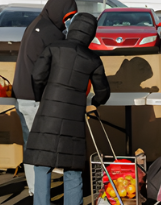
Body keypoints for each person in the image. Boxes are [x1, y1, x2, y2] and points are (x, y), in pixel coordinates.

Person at [26, 13, 110, 205]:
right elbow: (104, 91)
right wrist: (95, 102)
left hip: (48, 115)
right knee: (72, 169)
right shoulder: (93, 59)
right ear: (90, 34)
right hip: (74, 120)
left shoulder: (53, 48)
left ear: (73, 28)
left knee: (42, 165)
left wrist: (41, 97)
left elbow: (37, 76)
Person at [13, 0, 77, 195]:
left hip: (23, 95)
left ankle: (34, 190)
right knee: (42, 151)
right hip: (36, 98)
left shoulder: (35, 24)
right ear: (59, 11)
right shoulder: (50, 33)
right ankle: (40, 194)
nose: (67, 21)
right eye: (67, 16)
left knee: (31, 146)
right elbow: (54, 68)